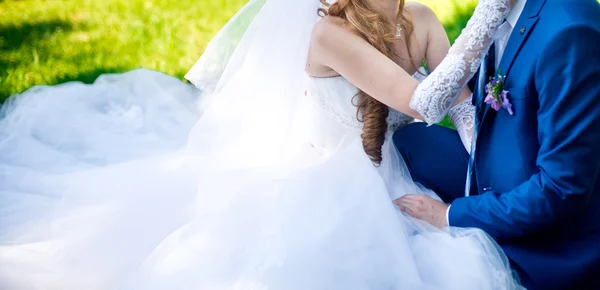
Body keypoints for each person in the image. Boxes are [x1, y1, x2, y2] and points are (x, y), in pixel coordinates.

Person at [0, 0, 521, 289]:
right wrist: (485, 22)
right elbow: (422, 101)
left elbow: (459, 105)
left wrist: (485, 164)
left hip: (394, 167)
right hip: (333, 178)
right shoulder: (330, 36)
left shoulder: (422, 19)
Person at [394, 0, 600, 289]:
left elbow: (561, 189)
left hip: (549, 244)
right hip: (501, 168)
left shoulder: (568, 33)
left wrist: (449, 215)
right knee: (405, 145)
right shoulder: (502, 9)